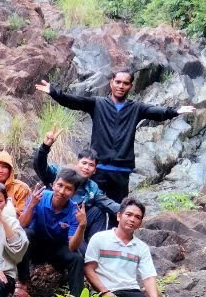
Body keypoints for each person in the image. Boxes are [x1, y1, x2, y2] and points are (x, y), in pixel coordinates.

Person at [36, 70, 196, 204]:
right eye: (118, 82)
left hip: (121, 170)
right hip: (98, 168)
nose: (121, 86)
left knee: (117, 209)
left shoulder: (136, 108)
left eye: (125, 83)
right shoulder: (97, 103)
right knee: (91, 204)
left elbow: (157, 112)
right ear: (111, 82)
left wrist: (175, 110)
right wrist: (54, 92)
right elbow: (73, 101)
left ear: (130, 86)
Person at [84, 197, 169, 297]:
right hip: (105, 291)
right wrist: (105, 292)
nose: (132, 219)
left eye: (137, 217)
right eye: (128, 214)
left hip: (131, 292)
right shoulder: (100, 238)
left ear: (140, 223)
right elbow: (88, 269)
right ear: (118, 216)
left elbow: (148, 277)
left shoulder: (141, 247)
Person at [32, 131, 120, 239]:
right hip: (51, 218)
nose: (86, 167)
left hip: (74, 223)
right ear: (76, 163)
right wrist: (45, 147)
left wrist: (127, 211)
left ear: (95, 170)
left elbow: (107, 203)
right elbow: (40, 167)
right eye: (84, 163)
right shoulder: (60, 173)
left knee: (98, 211)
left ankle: (94, 244)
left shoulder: (92, 187)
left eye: (91, 165)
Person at [17, 168, 87, 297]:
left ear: (74, 192)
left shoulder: (74, 211)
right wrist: (31, 205)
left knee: (77, 258)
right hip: (36, 245)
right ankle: (22, 283)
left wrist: (82, 225)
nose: (62, 191)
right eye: (60, 185)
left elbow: (72, 247)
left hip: (57, 248)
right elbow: (21, 225)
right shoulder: (39, 197)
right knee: (26, 234)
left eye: (68, 188)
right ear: (53, 184)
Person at [0, 151, 30, 215]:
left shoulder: (21, 188)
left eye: (4, 167)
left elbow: (23, 215)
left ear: (10, 170)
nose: (0, 171)